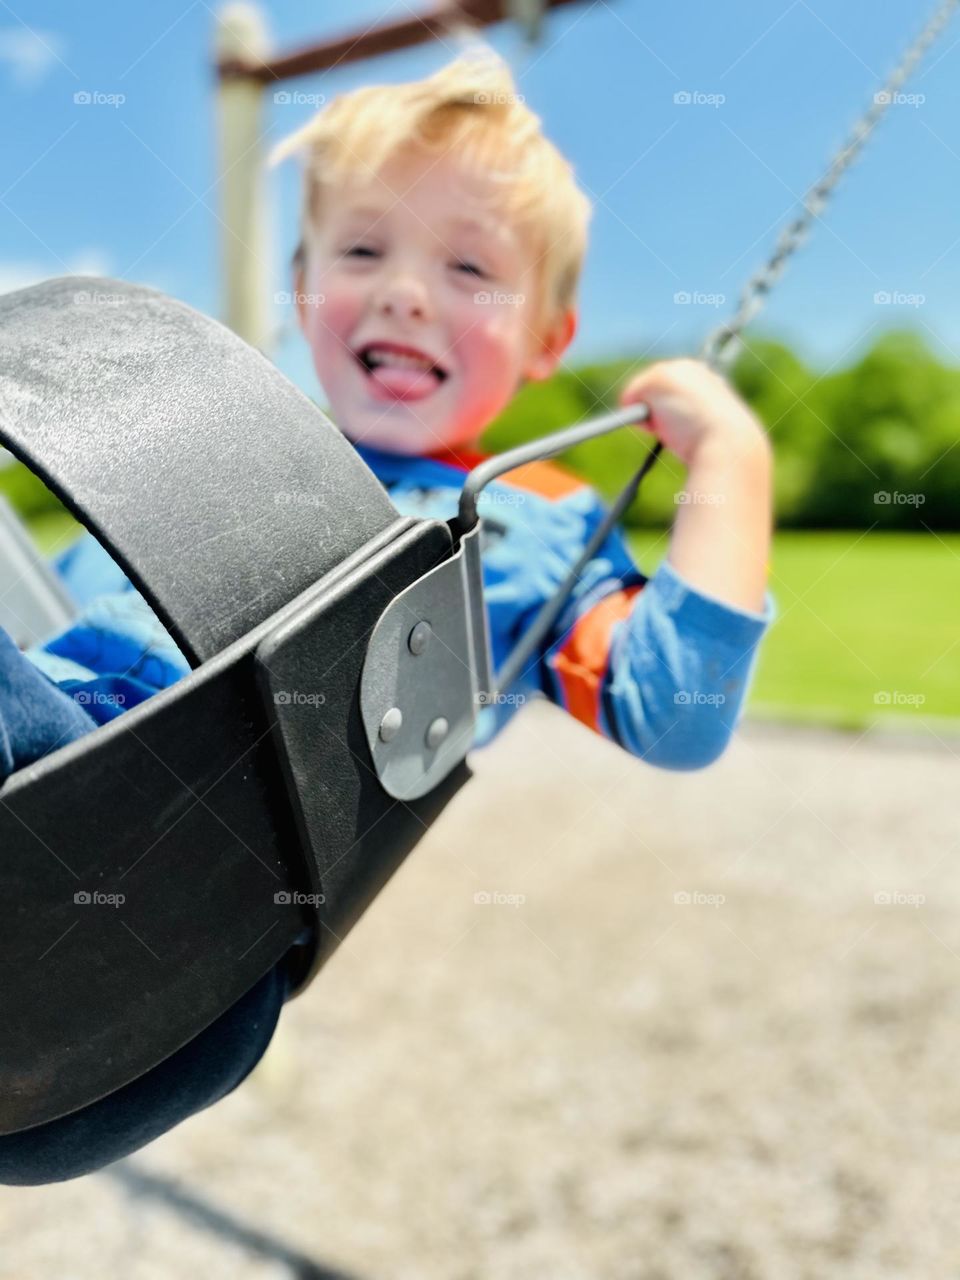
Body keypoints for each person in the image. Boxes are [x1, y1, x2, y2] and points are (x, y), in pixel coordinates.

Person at [0, 51, 774, 1183]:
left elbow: (676, 710)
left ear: (551, 336)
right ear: (306, 283)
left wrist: (732, 462)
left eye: (470, 266)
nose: (407, 289)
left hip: (178, 963)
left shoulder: (529, 522)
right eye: (364, 250)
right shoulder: (189, 448)